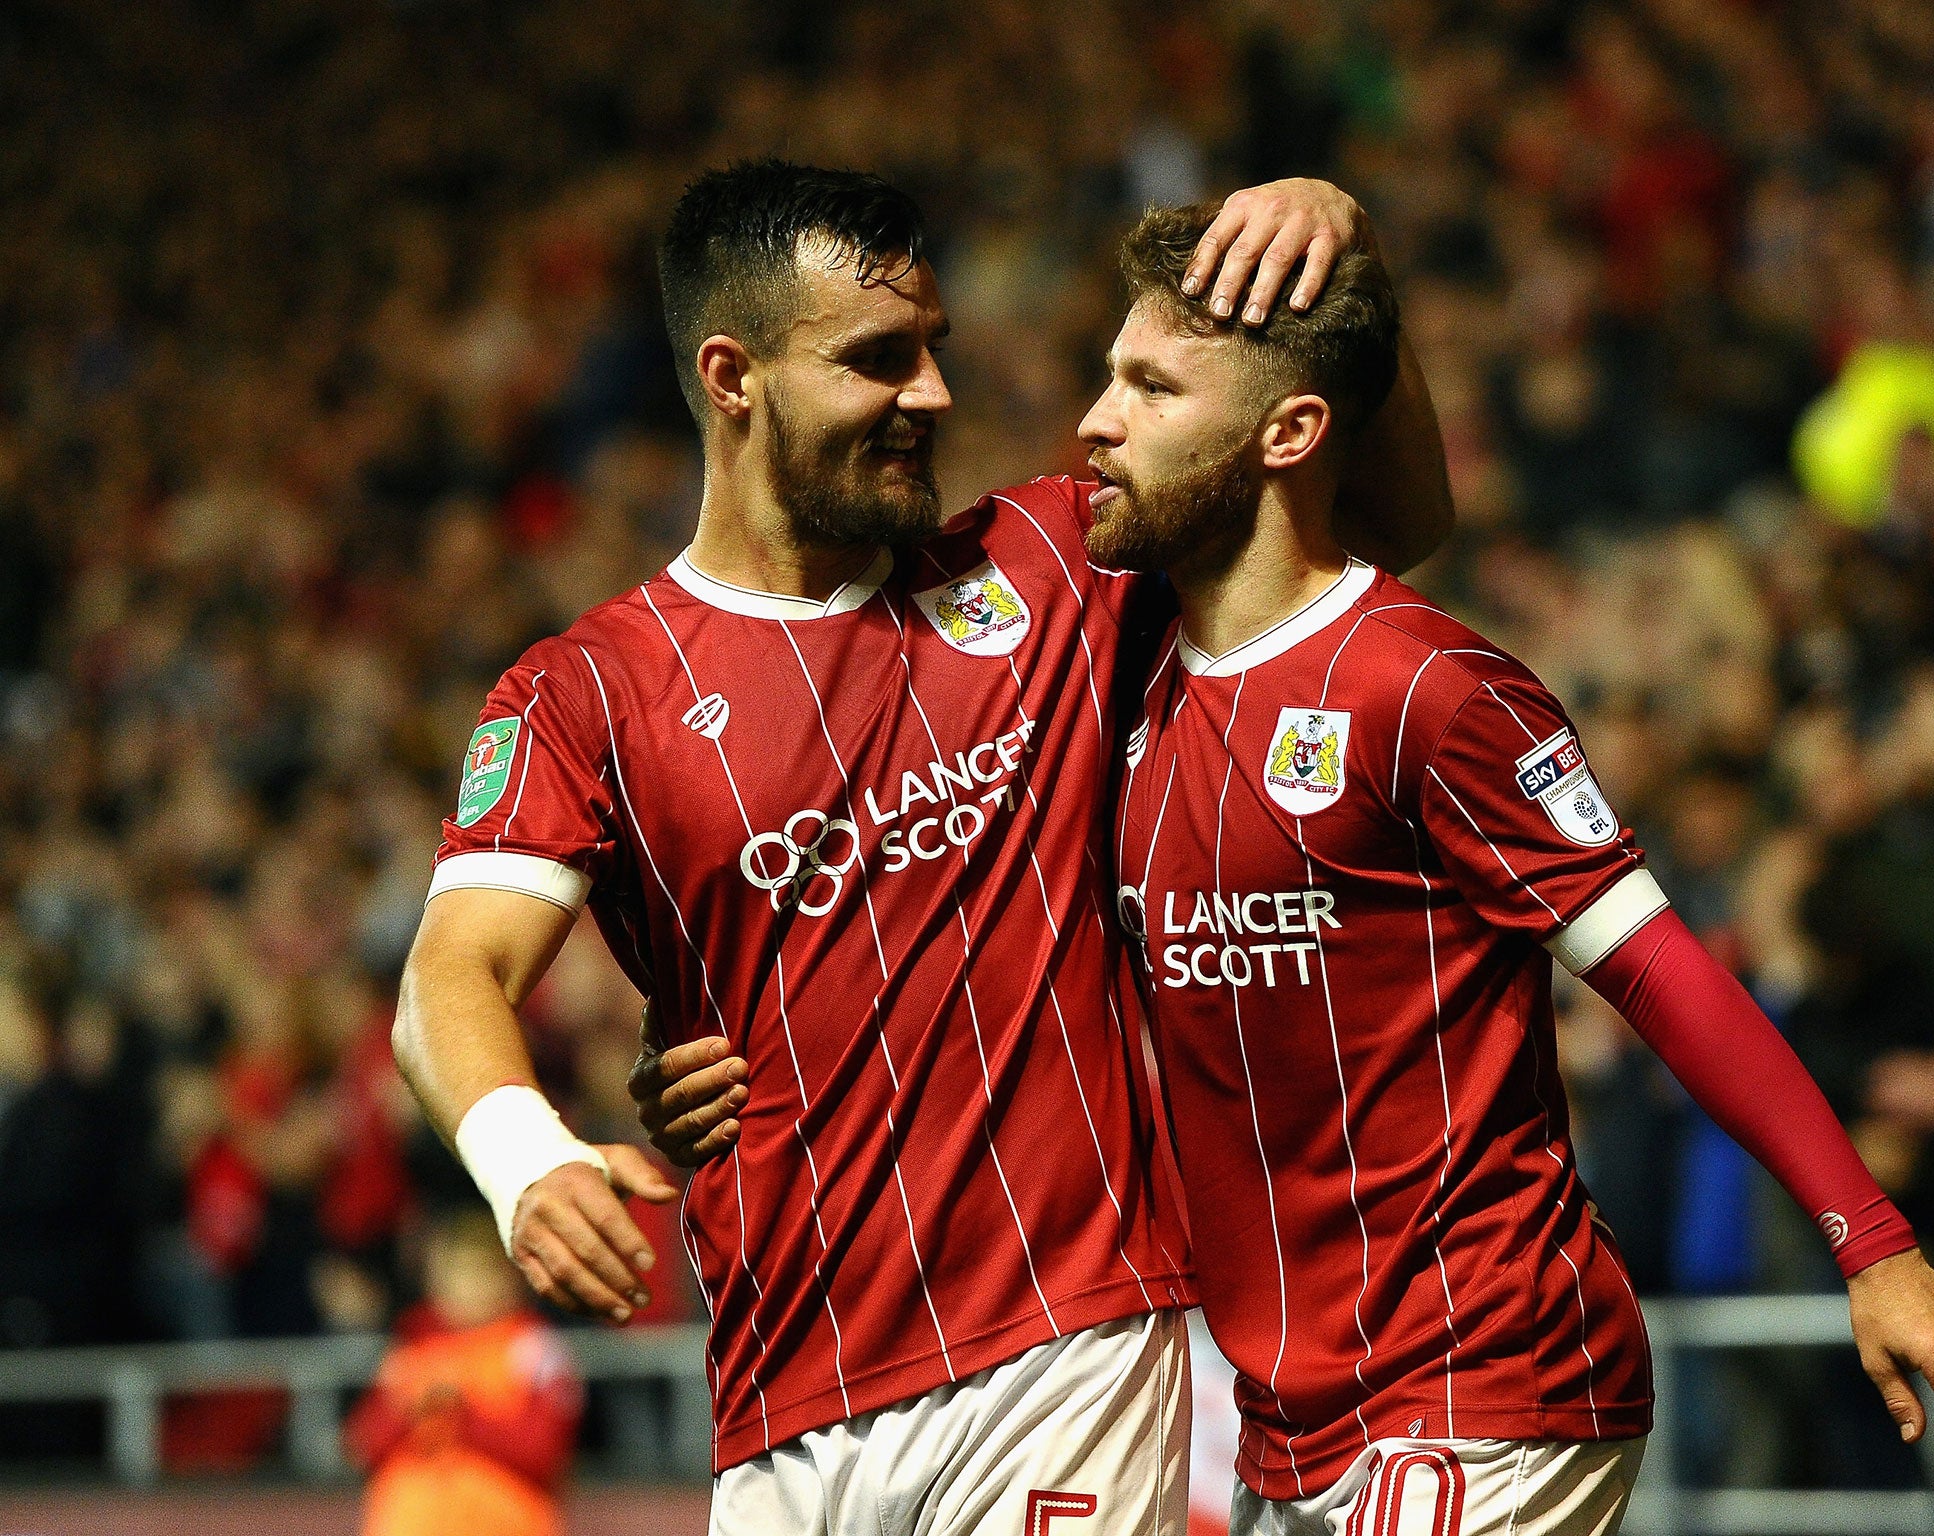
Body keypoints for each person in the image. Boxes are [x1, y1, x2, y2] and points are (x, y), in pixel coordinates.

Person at [395, 160, 1452, 1535]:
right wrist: (524, 1155)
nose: (932, 396)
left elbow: (1398, 523)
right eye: (877, 360)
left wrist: (1348, 241)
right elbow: (446, 979)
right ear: (734, 377)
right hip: (782, 1401)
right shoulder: (591, 689)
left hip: (1069, 1344)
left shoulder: (1056, 562)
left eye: (934, 351)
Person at [1074, 202, 1934, 1536]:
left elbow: (1663, 969)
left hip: (1484, 1377)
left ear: (1289, 435)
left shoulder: (1429, 688)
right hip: (1285, 1409)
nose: (1097, 420)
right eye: (1109, 375)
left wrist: (1875, 1241)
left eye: (1151, 386)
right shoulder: (1133, 676)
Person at [345, 1207, 581, 1536]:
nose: (467, 1286)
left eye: (479, 1272)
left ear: (509, 1277)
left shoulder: (532, 1349)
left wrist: (462, 1411)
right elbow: (364, 1446)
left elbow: (544, 1452)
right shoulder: (412, 1347)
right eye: (455, 1271)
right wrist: (411, 1407)